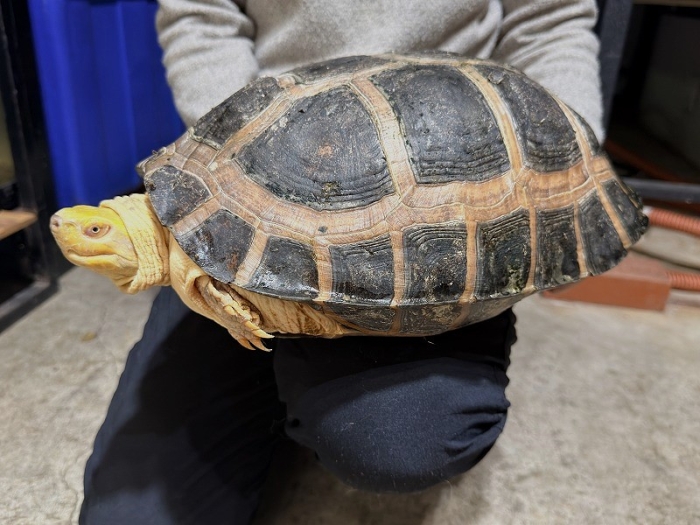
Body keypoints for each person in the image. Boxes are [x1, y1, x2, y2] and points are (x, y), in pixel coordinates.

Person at [79, 1, 603, 523]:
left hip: (447, 140)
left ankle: (307, 388)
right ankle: (288, 380)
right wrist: (237, 183)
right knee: (128, 518)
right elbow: (201, 18)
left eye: (96, 230)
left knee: (396, 440)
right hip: (268, 136)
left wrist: (569, 178)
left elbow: (548, 23)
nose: (66, 228)